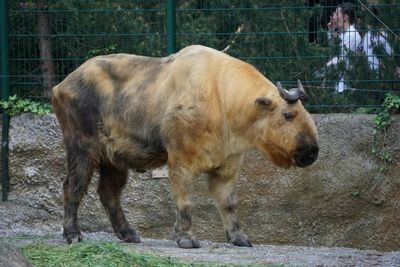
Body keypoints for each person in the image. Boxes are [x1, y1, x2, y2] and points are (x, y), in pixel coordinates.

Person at [326, 2, 362, 92]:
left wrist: (321, 71)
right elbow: (333, 51)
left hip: (344, 87)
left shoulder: (352, 34)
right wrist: (331, 30)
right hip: (339, 83)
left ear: (345, 17)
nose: (333, 18)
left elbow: (340, 59)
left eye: (337, 14)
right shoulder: (344, 34)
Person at [358, 5, 393, 73]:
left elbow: (390, 56)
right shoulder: (367, 34)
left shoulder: (383, 35)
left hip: (379, 74)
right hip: (367, 75)